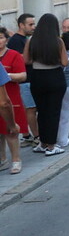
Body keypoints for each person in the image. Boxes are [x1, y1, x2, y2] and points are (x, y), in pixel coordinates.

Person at [24, 13, 68, 156]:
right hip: (55, 76)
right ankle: (51, 145)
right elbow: (64, 62)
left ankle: (42, 143)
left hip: (37, 77)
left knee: (41, 111)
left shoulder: (31, 40)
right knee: (53, 112)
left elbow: (26, 60)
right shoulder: (58, 41)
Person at [9, 13, 38, 147]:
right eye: (30, 24)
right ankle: (36, 137)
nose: (33, 27)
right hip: (24, 81)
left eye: (34, 24)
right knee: (30, 108)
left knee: (32, 108)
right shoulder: (16, 40)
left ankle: (27, 135)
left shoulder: (26, 38)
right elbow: (19, 58)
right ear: (21, 25)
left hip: (31, 78)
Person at [0, 28, 25, 173]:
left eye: (1, 37)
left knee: (11, 130)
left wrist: (7, 75)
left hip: (10, 96)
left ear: (6, 39)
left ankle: (16, 159)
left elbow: (23, 75)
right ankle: (2, 159)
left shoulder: (14, 55)